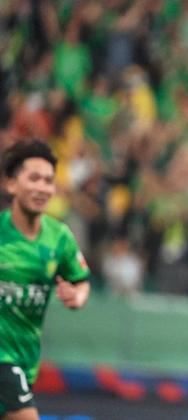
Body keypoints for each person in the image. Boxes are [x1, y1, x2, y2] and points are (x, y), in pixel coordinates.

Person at [0, 140, 91, 420]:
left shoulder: (59, 237)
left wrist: (77, 297)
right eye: (34, 178)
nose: (42, 188)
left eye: (48, 181)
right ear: (11, 184)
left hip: (26, 360)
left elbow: (81, 280)